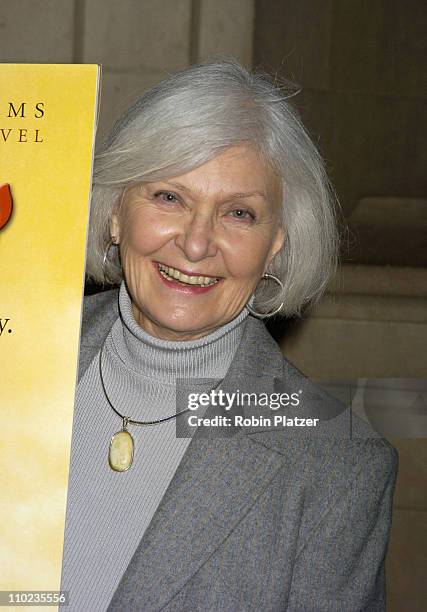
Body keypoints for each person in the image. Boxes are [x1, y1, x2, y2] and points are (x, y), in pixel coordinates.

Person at [60, 60, 397, 611]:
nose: (196, 245)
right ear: (117, 211)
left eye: (239, 213)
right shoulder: (17, 351)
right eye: (169, 197)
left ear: (277, 244)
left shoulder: (338, 471)